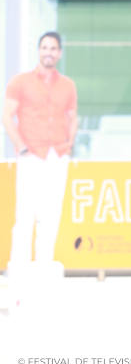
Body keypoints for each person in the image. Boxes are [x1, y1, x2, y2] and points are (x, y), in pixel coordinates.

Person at [2, 31, 78, 264]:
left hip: (57, 155)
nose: (49, 52)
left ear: (59, 53)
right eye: (45, 47)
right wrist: (21, 147)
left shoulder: (67, 85)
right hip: (31, 155)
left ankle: (43, 268)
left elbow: (72, 117)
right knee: (25, 215)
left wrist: (69, 143)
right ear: (38, 51)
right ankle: (20, 270)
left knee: (51, 215)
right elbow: (7, 116)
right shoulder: (20, 82)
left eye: (53, 48)